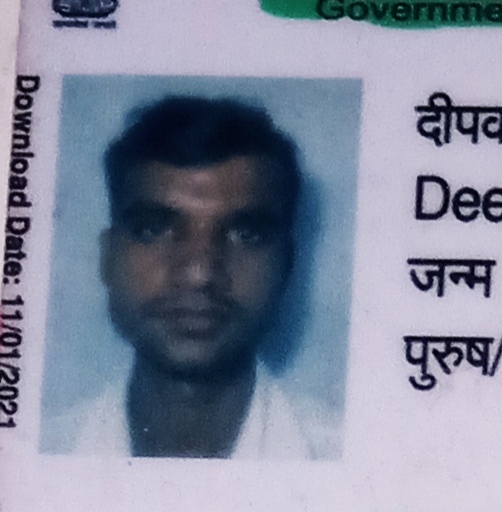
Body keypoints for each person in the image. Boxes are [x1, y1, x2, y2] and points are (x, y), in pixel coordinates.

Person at [63, 96, 336, 459]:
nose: (199, 273)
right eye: (152, 229)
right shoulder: (30, 452)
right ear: (108, 258)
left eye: (246, 234)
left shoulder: (348, 456)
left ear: (285, 266)